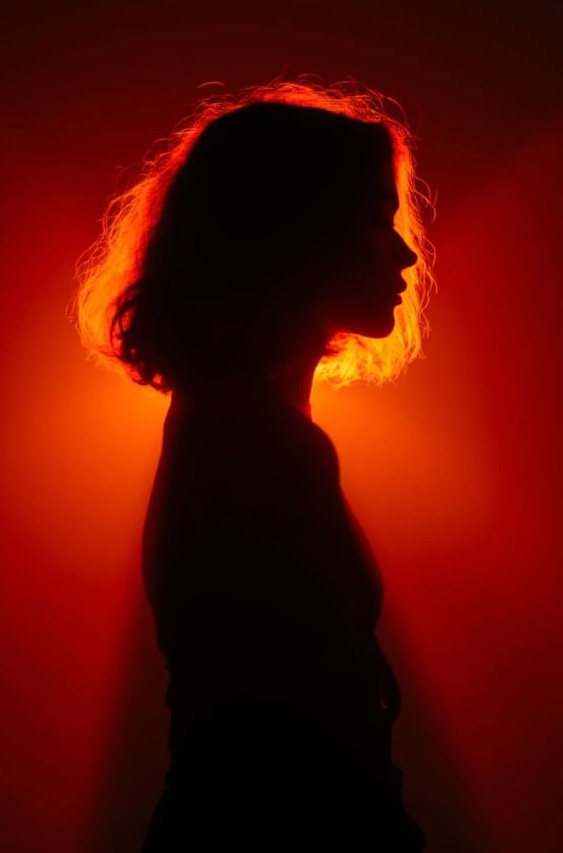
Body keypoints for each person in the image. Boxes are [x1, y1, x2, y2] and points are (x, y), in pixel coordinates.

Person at [74, 80, 432, 850]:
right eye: (376, 217)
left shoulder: (233, 423)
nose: (405, 252)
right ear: (294, 228)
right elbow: (295, 742)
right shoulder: (257, 443)